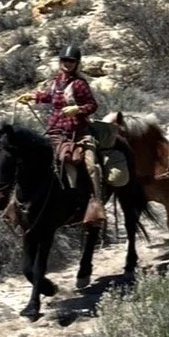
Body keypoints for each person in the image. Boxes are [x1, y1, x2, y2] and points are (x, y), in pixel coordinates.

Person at [17, 45, 105, 225]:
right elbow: (49, 97)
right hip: (55, 131)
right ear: (60, 62)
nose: (67, 64)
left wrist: (78, 109)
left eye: (71, 61)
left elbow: (92, 105)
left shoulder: (80, 84)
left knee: (91, 166)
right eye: (65, 60)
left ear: (77, 63)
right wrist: (33, 97)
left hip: (78, 133)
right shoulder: (56, 81)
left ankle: (95, 206)